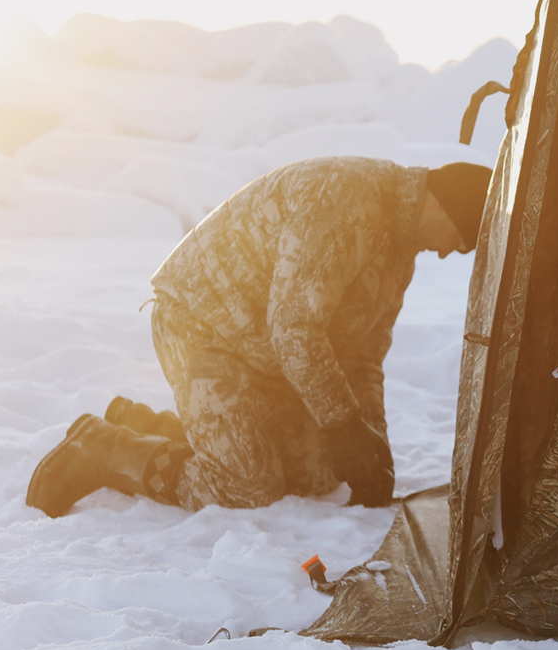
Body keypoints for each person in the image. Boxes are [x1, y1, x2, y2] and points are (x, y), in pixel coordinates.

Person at [26, 157, 492, 516]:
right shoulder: (350, 201)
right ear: (446, 206)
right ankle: (104, 447)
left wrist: (371, 443)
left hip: (265, 357)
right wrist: (345, 426)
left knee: (319, 474)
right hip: (204, 331)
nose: (454, 252)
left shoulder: (398, 250)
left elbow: (364, 358)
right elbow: (293, 328)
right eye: (464, 238)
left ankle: (156, 427)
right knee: (247, 487)